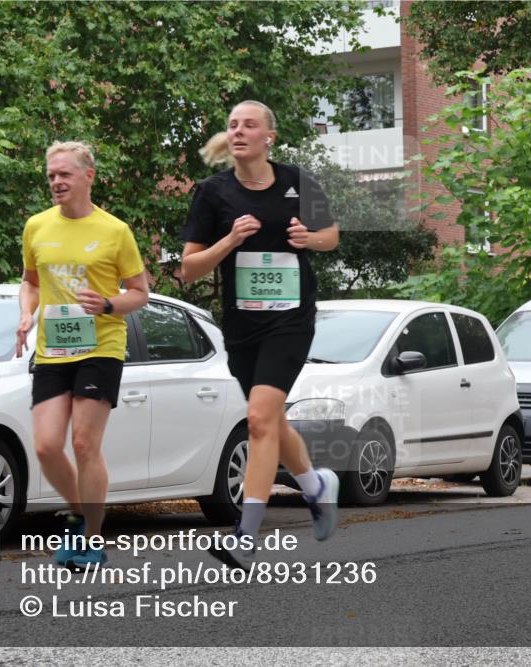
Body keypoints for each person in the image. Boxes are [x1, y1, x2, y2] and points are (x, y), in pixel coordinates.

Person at [181, 100, 341, 569]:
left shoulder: (296, 181)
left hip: (291, 319)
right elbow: (189, 269)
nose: (238, 131)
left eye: (249, 124)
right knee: (269, 420)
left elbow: (331, 234)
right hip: (243, 324)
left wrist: (309, 239)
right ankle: (316, 485)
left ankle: (245, 536)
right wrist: (229, 241)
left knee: (258, 418)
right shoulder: (213, 193)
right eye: (232, 125)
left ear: (269, 136)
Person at [15, 141, 148, 569]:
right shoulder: (37, 226)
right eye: (51, 175)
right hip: (53, 348)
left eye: (64, 174)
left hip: (101, 346)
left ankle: (91, 537)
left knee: (84, 443)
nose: (56, 181)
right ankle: (79, 514)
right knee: (46, 446)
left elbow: (140, 293)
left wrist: (108, 304)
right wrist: (24, 313)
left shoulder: (115, 231)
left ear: (87, 176)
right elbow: (30, 282)